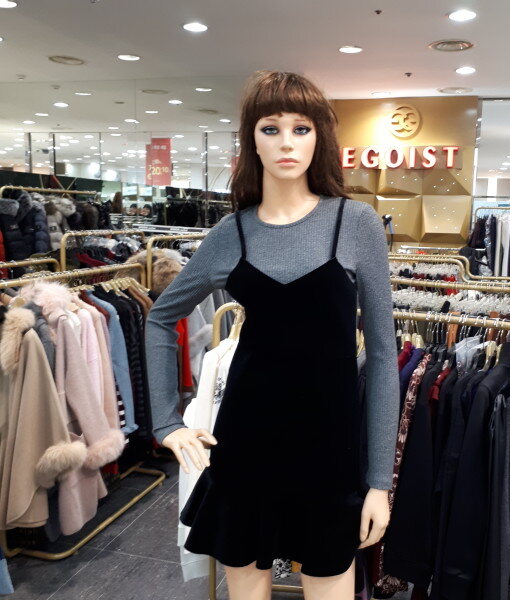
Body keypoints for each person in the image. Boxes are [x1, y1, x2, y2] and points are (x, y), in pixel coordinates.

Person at [145, 70, 399, 600]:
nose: (286, 142)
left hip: (329, 449)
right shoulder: (232, 232)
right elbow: (160, 316)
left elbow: (381, 357)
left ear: (319, 138)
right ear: (252, 140)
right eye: (271, 128)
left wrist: (380, 481)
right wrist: (167, 422)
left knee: (329, 577)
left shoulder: (356, 223)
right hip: (245, 443)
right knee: (245, 577)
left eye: (301, 128)